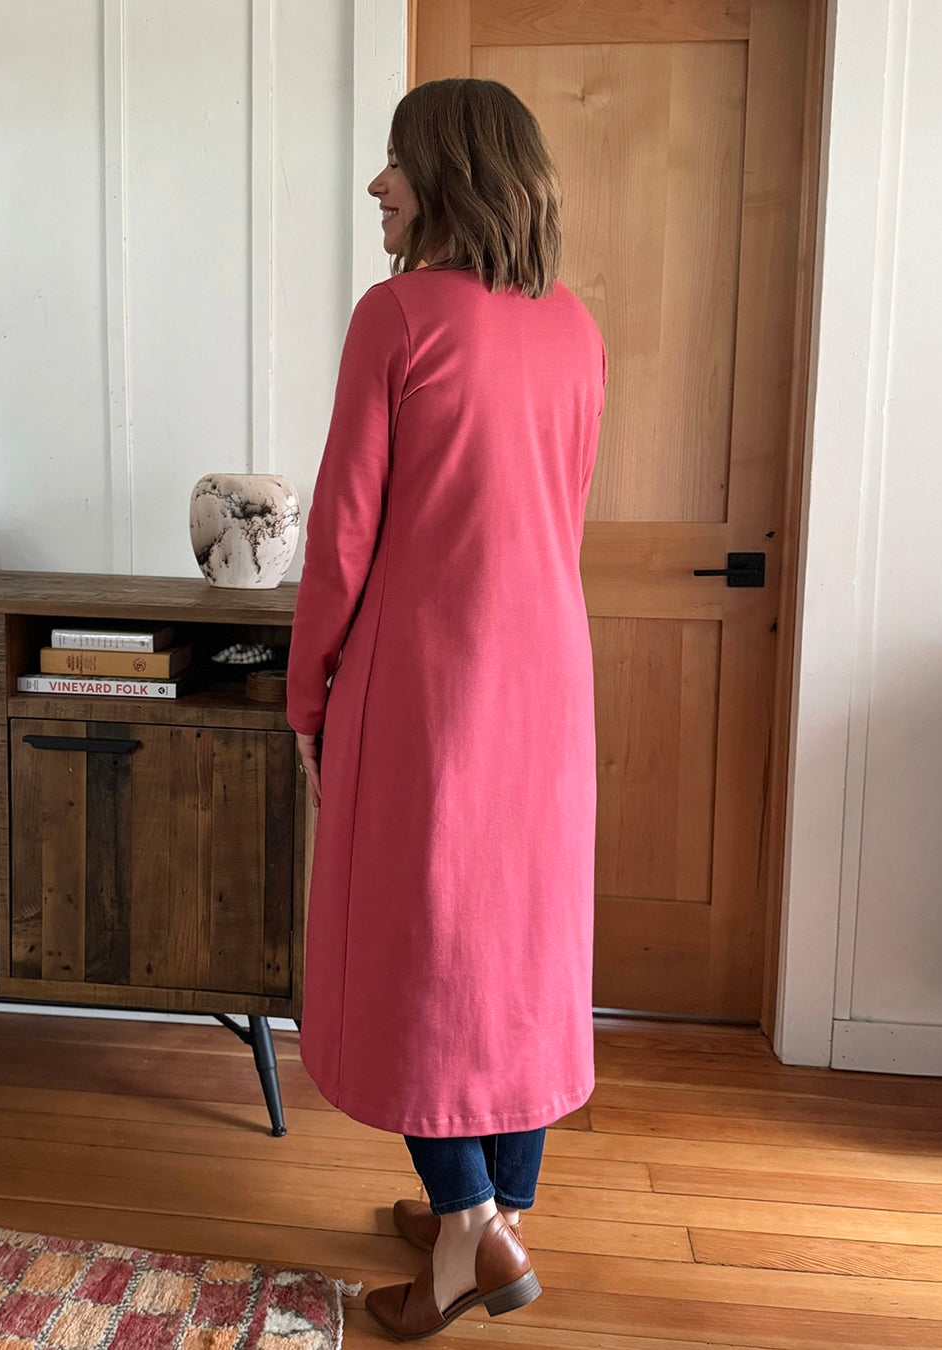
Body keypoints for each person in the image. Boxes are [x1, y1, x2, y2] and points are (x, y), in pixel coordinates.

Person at [285, 77, 607, 1340]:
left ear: (452, 175)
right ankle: (490, 1212)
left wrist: (307, 695)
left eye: (398, 162)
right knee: (513, 953)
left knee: (419, 951)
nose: (379, 185)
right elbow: (556, 515)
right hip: (550, 683)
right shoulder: (573, 326)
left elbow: (341, 538)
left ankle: (471, 1234)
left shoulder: (398, 316)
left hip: (429, 688)